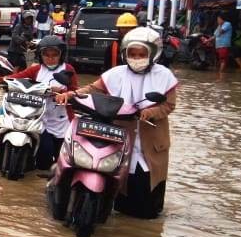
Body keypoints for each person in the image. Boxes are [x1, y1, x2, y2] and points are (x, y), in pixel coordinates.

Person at [55, 27, 177, 218]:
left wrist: (150, 112)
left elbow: (169, 105)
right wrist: (71, 94)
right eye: (133, 53)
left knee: (148, 194)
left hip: (150, 138)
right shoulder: (115, 74)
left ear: (153, 54)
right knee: (117, 178)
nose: (137, 58)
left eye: (142, 54)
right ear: (125, 53)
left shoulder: (164, 76)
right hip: (120, 132)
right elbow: (93, 89)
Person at [0, 35, 78, 170]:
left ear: (61, 55)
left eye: (54, 54)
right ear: (40, 55)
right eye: (46, 54)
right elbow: (19, 77)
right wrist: (1, 79)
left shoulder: (68, 69)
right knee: (44, 155)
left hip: (62, 119)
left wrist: (65, 94)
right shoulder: (36, 69)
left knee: (62, 158)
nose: (50, 58)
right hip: (41, 117)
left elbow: (75, 91)